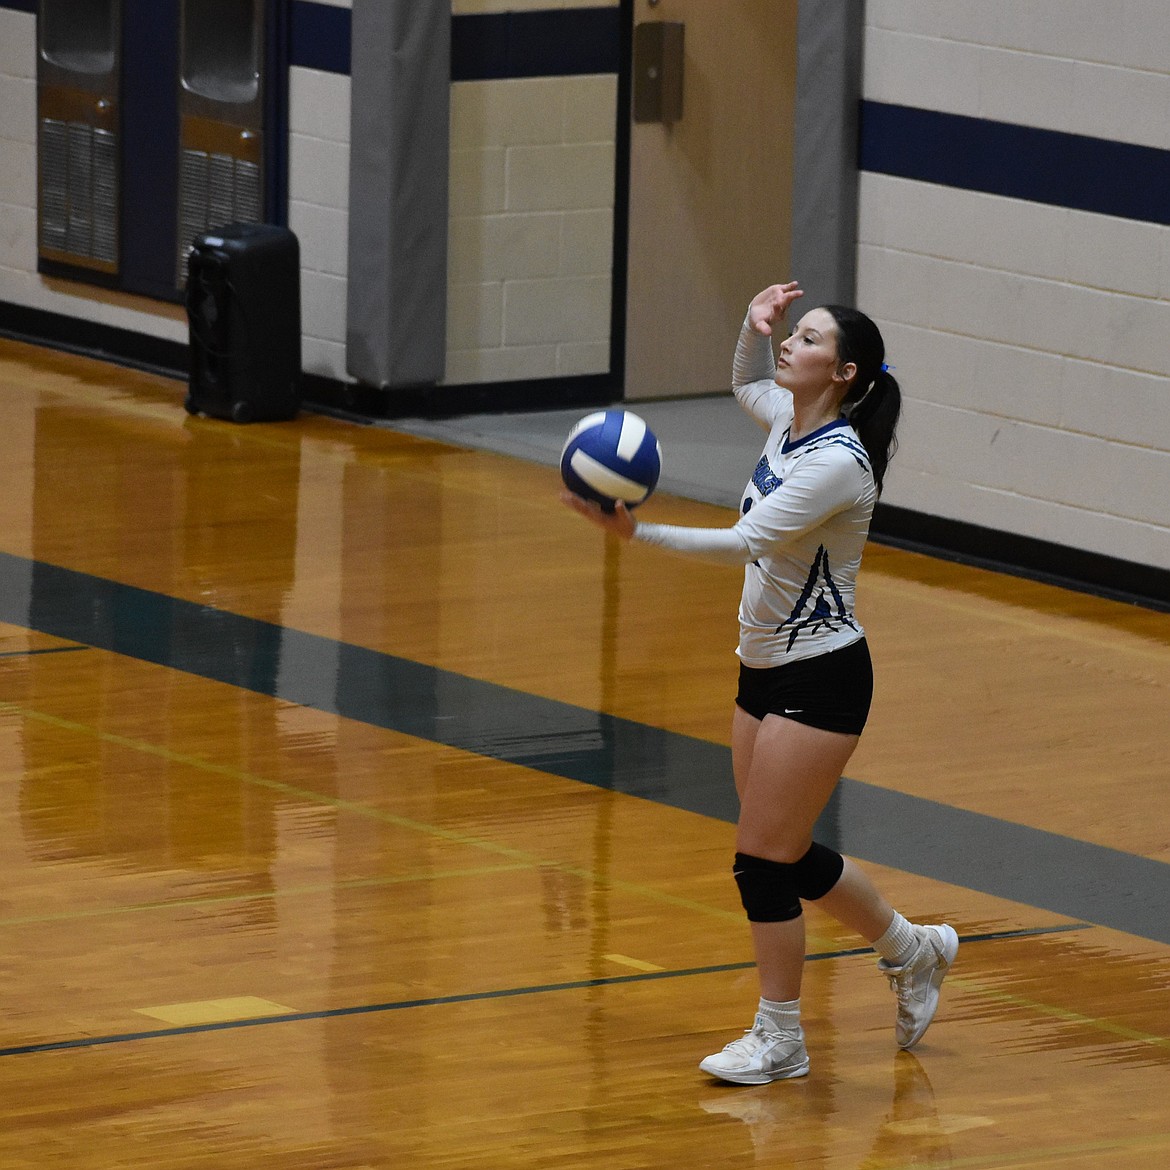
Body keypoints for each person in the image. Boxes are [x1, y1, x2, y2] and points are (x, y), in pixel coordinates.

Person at [563, 281, 958, 1085]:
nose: (791, 346)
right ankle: (913, 951)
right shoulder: (789, 419)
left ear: (843, 372)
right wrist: (753, 327)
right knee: (784, 851)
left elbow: (747, 541)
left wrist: (637, 532)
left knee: (759, 860)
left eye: (807, 339)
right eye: (794, 334)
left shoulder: (840, 464)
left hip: (824, 675)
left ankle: (780, 1038)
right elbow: (748, 385)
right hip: (763, 668)